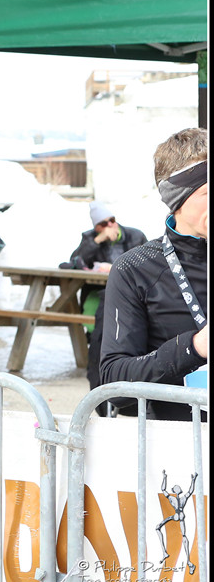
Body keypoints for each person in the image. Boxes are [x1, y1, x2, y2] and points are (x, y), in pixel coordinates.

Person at [100, 127, 208, 422]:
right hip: (180, 442)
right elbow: (114, 381)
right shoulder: (136, 268)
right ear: (178, 198)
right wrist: (194, 347)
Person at [63, 200, 147, 415]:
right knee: (100, 328)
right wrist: (97, 241)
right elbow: (74, 261)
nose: (110, 225)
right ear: (96, 227)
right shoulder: (90, 239)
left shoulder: (135, 236)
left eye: (112, 220)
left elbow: (147, 264)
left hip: (130, 294)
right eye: (103, 223)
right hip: (98, 292)